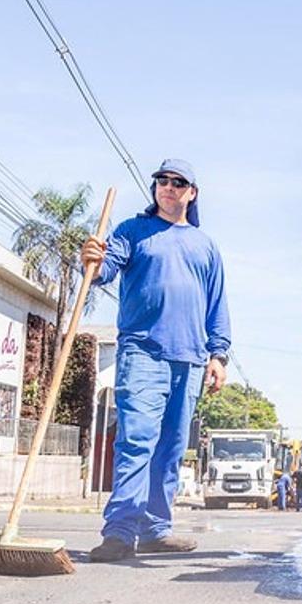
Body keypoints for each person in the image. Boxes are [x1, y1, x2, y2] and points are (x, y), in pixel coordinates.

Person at [82, 159, 232, 562]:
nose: (167, 187)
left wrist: (218, 354)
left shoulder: (205, 245)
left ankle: (155, 530)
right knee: (137, 441)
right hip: (143, 352)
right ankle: (120, 531)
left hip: (191, 359)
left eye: (177, 182)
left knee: (170, 448)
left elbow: (216, 304)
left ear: (192, 193)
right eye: (162, 181)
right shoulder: (132, 231)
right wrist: (93, 261)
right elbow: (104, 270)